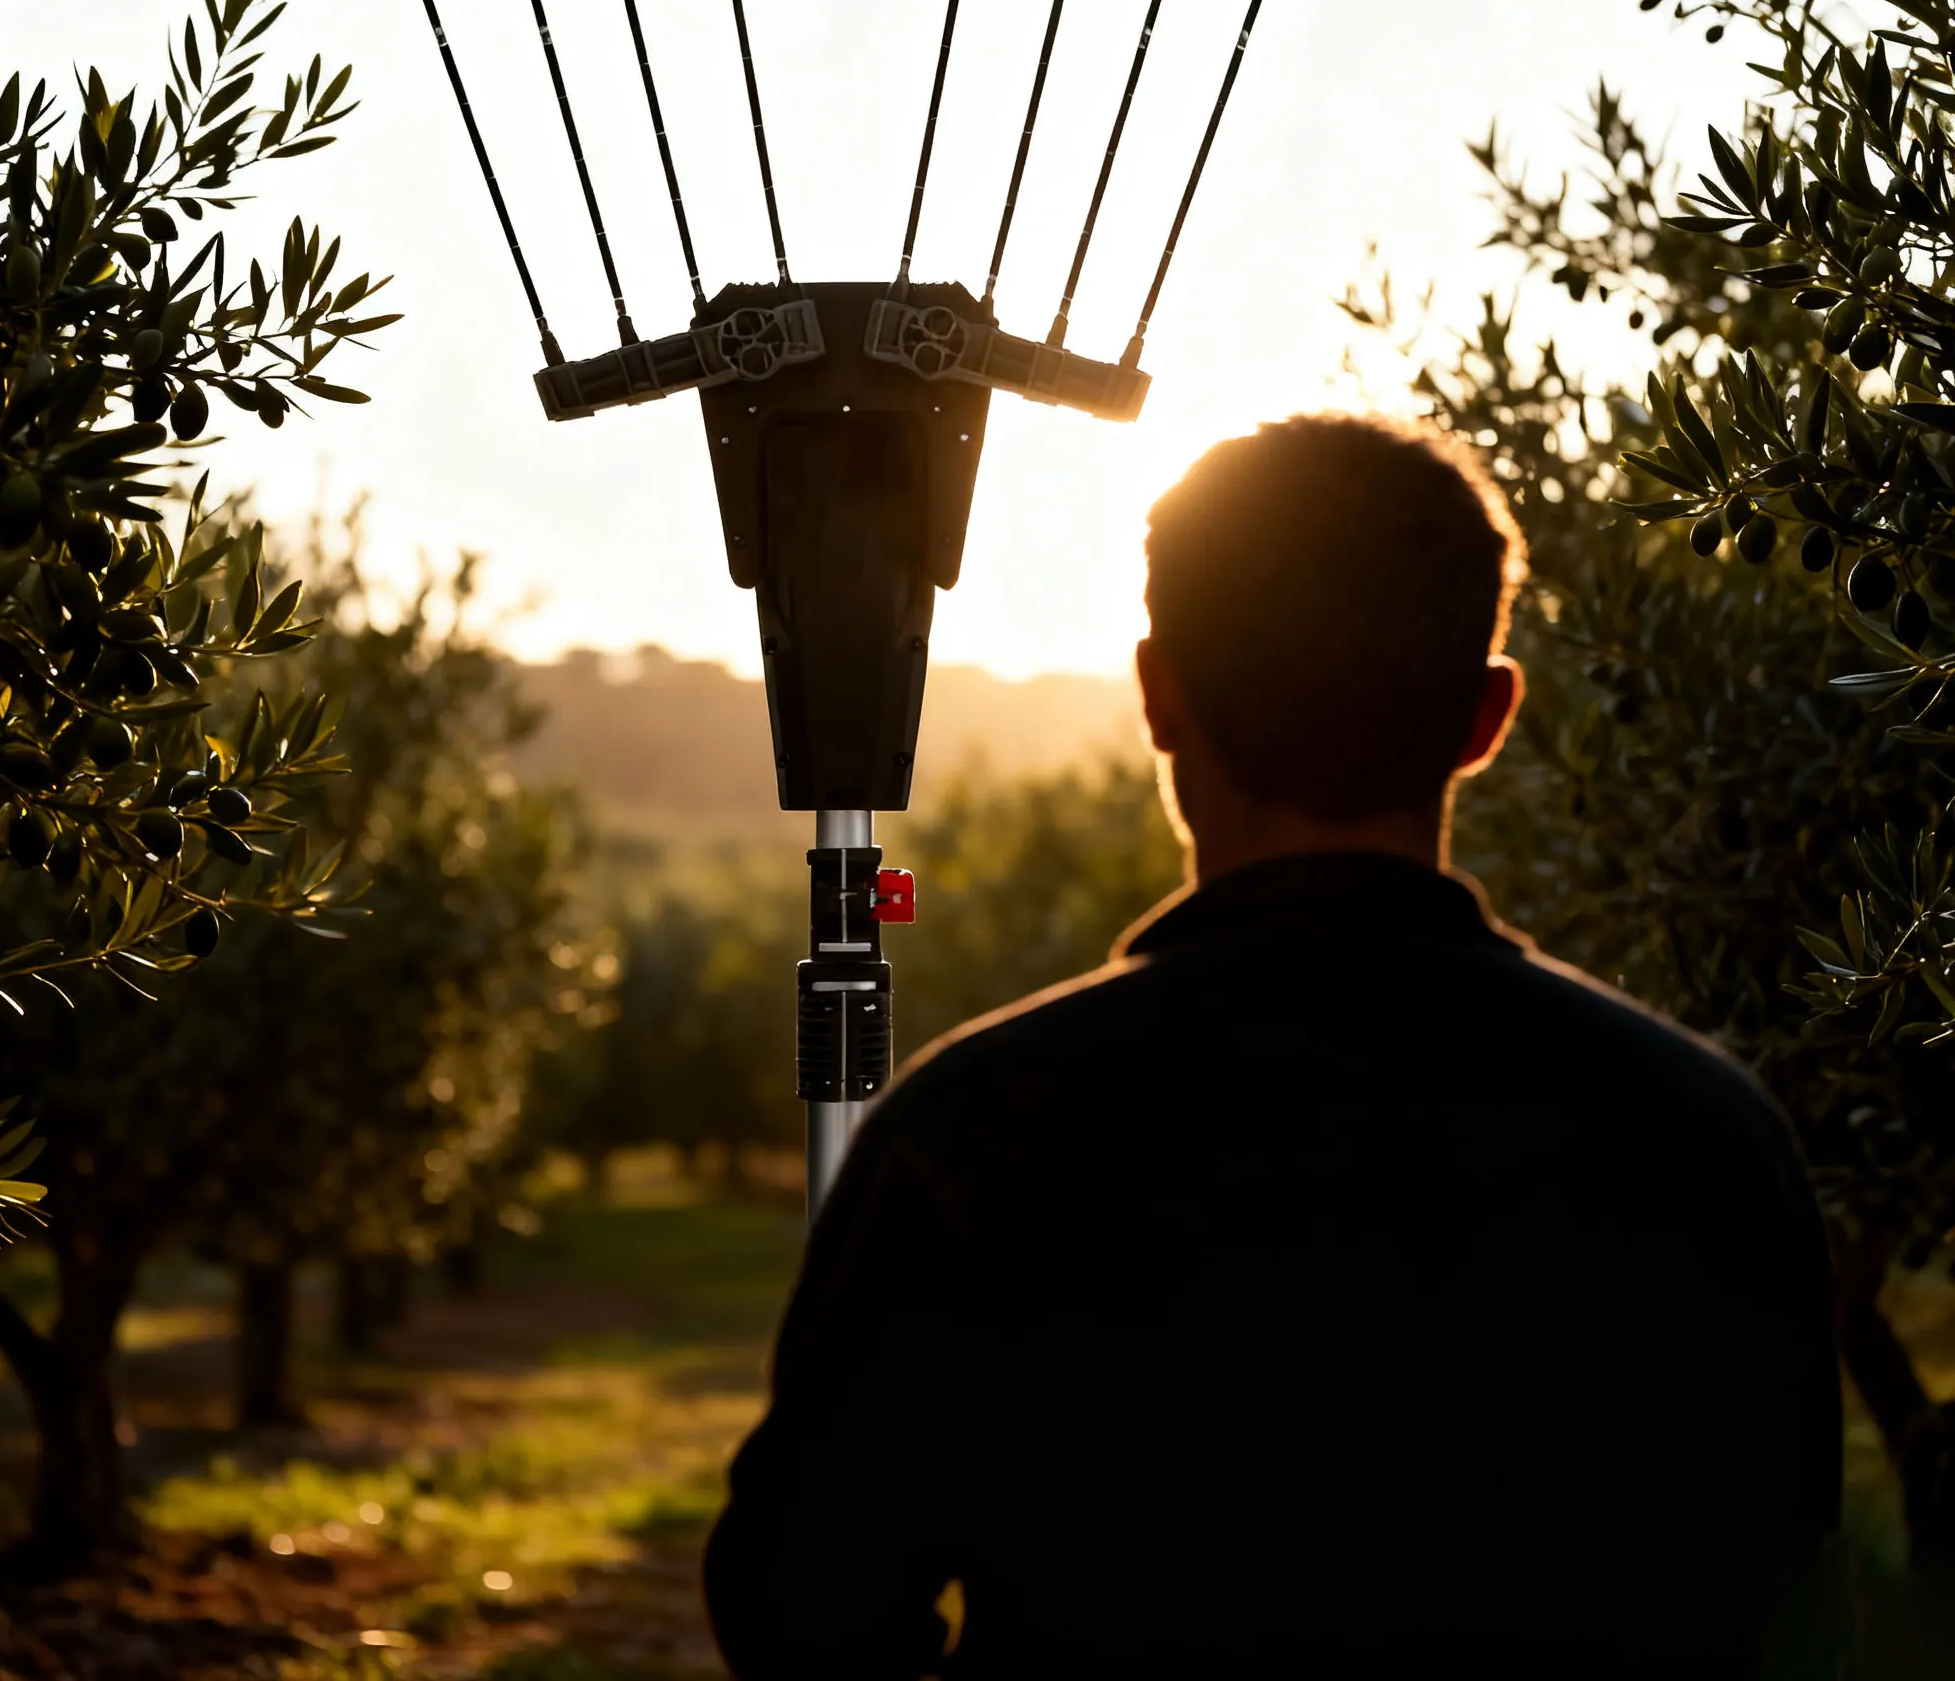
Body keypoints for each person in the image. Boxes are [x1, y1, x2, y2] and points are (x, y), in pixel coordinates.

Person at [704, 414, 1840, 1680]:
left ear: (1157, 692)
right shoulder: (1702, 1138)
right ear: (1485, 715)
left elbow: (798, 1610)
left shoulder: (975, 1133)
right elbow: (1778, 1608)